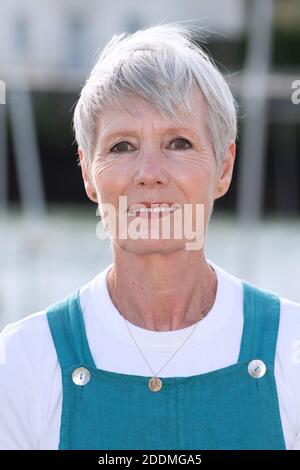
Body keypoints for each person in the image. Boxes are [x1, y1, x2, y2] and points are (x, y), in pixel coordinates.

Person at [0, 22, 299, 450]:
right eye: (122, 146)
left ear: (224, 165)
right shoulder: (22, 363)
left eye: (178, 143)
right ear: (87, 171)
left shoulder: (291, 347)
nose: (150, 174)